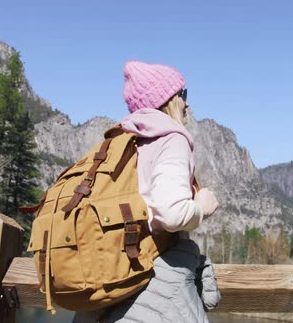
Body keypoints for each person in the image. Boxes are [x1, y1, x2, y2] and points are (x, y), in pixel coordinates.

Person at [73, 60, 220, 322]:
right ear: (168, 98)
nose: (187, 103)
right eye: (183, 94)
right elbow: (172, 215)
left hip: (112, 279)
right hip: (154, 284)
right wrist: (202, 206)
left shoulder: (121, 142)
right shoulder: (172, 139)